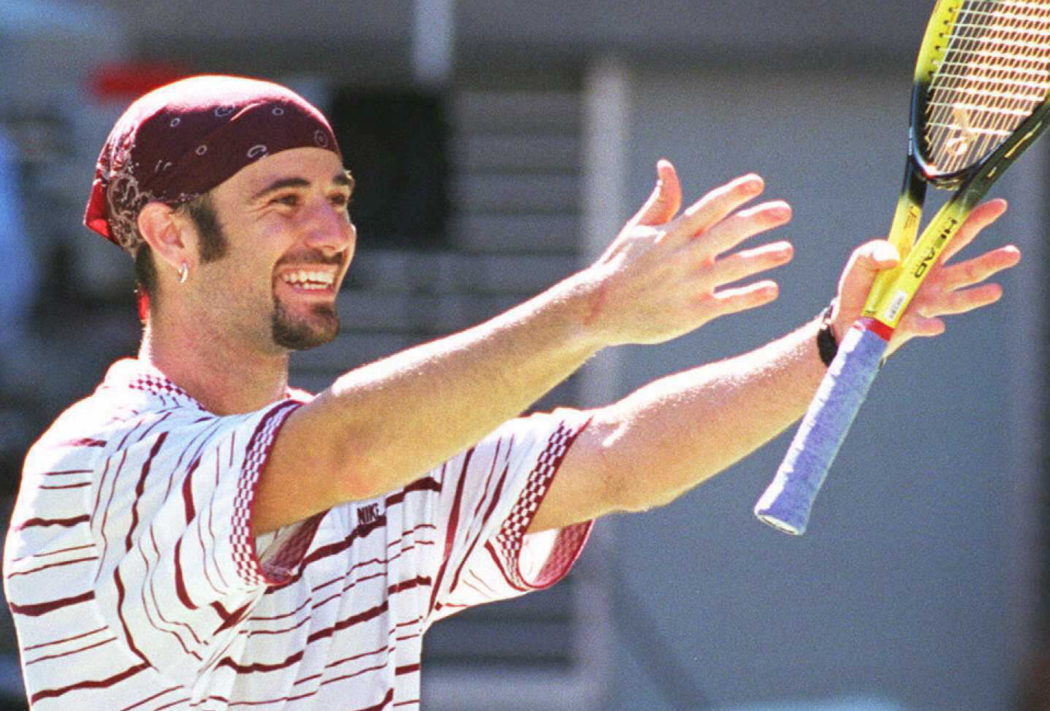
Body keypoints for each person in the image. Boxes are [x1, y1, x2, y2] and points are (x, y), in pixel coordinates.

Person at [2, 75, 1020, 710]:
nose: (331, 232)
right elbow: (341, 452)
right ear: (171, 235)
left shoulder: (364, 470)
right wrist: (593, 309)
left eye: (338, 199)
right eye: (285, 200)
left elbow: (620, 457)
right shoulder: (95, 469)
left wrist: (837, 341)